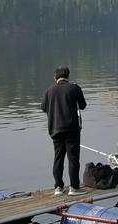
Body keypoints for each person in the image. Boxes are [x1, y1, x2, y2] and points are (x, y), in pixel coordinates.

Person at [41, 66, 87, 196]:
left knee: (58, 158)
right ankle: (74, 188)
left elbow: (43, 108)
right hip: (72, 129)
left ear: (55, 78)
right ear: (68, 76)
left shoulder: (48, 91)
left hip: (55, 129)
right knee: (73, 158)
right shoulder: (74, 88)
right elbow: (83, 105)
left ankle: (58, 188)